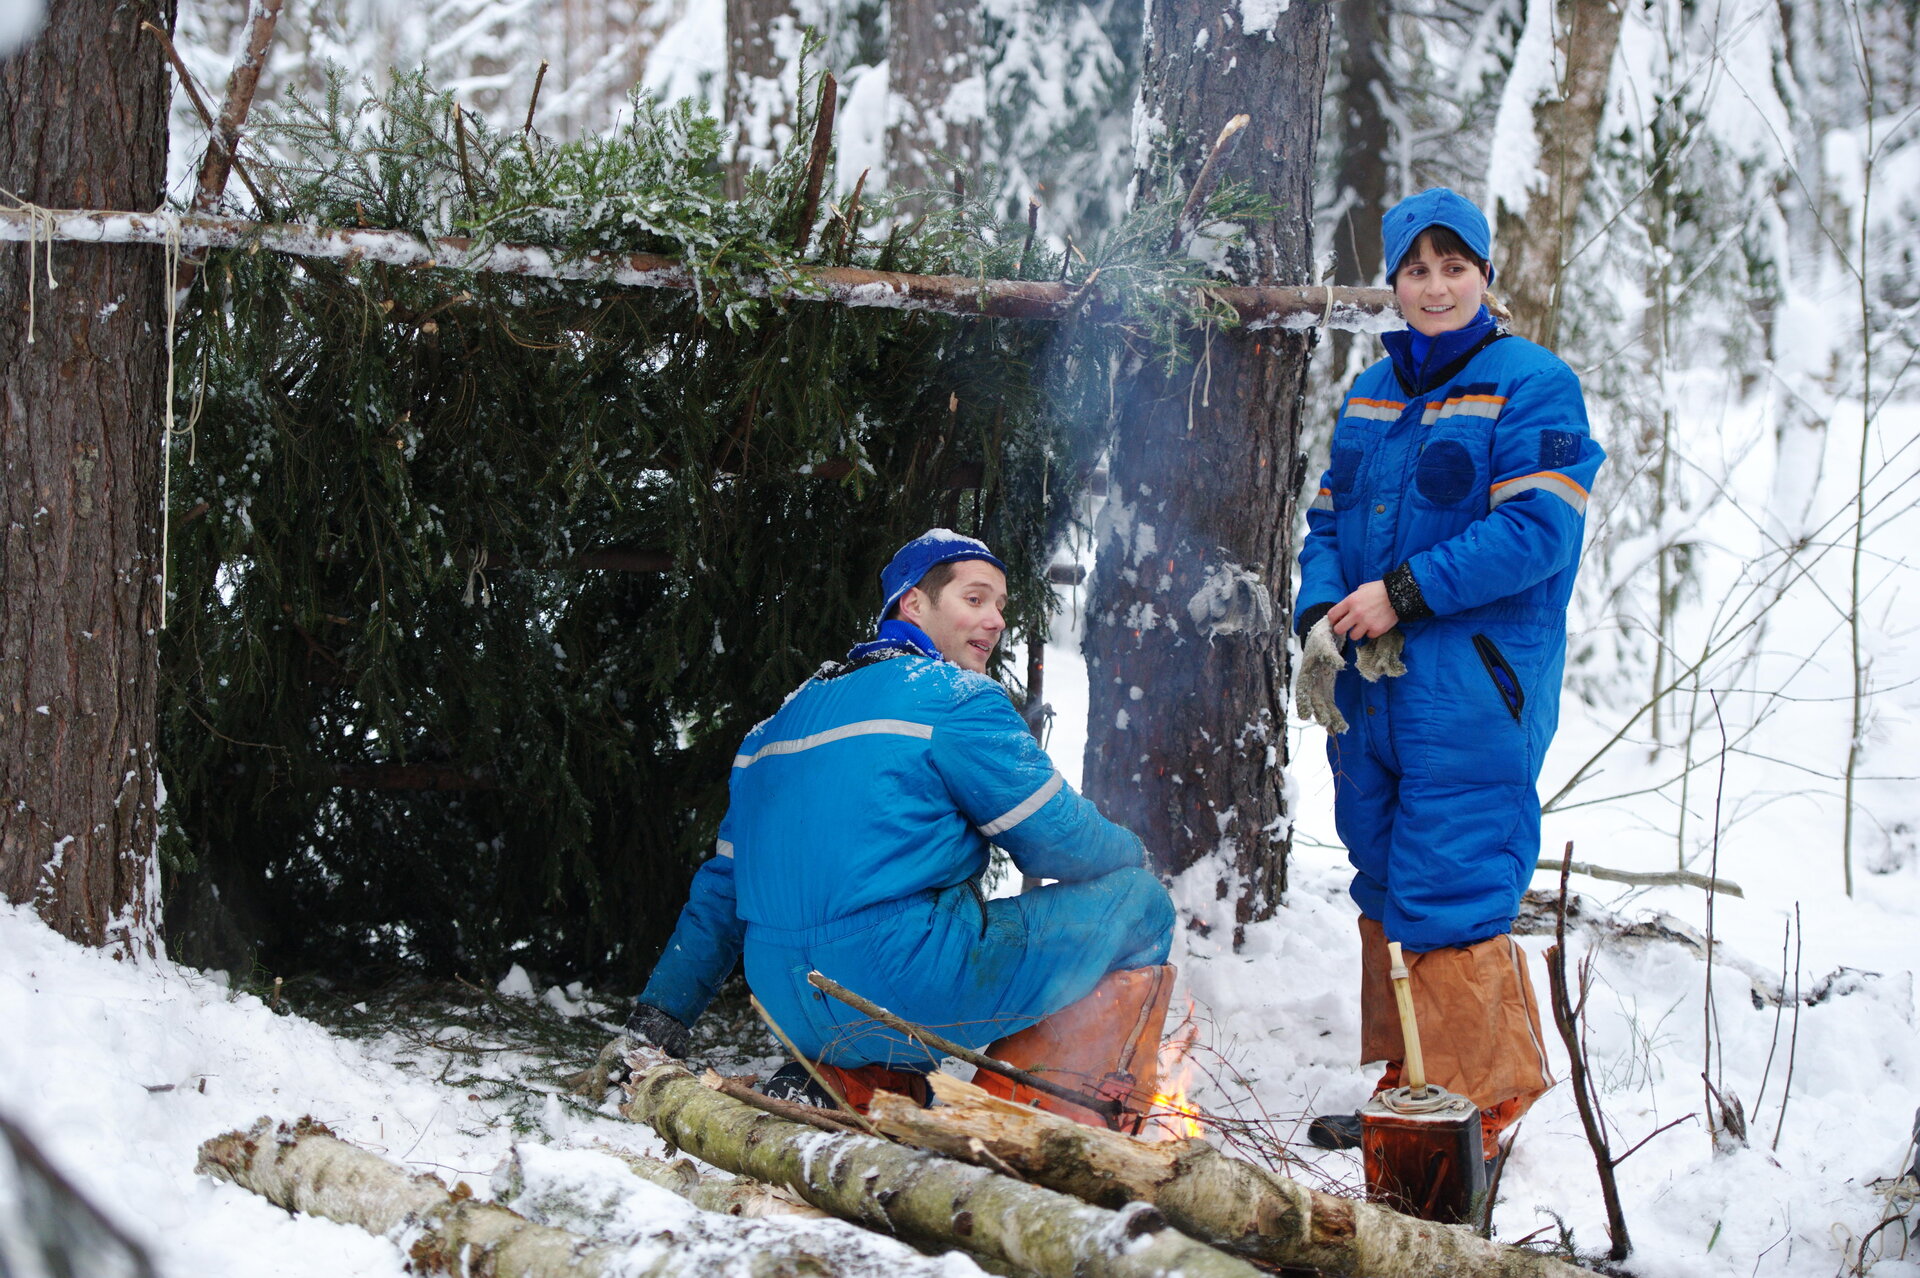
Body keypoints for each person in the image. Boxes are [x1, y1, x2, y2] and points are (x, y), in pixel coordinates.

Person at [621, 529, 1176, 1109]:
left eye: (1001, 607)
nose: (995, 621)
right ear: (913, 603)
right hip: (903, 980)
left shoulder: (773, 729)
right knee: (1142, 903)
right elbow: (1061, 840)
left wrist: (657, 1020)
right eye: (975, 599)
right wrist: (1134, 854)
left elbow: (720, 894)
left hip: (788, 1003)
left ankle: (840, 1081)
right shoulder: (955, 698)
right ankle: (1033, 1119)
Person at [1293, 188, 1606, 1164]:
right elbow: (1328, 524)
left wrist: (1402, 592)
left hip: (1472, 685)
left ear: (1485, 276)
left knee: (1455, 876)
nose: (1434, 287)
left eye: (1453, 267)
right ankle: (1411, 1088)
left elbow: (1537, 531)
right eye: (1416, 270)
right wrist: (1317, 616)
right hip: (1372, 689)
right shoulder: (1371, 392)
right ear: (1395, 282)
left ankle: (1481, 1109)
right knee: (1383, 876)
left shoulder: (1533, 384)